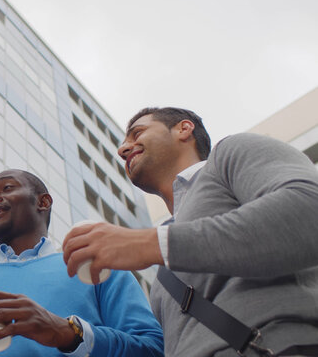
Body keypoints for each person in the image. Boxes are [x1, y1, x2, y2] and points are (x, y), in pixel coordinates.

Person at [63, 107, 318, 355]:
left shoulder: (230, 152)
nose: (122, 149)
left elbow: (309, 211)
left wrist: (151, 244)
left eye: (137, 133)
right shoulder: (163, 271)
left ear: (184, 129)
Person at [0, 169, 164, 356]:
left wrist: (69, 333)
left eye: (7, 188)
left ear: (43, 202)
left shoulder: (97, 268)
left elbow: (153, 350)